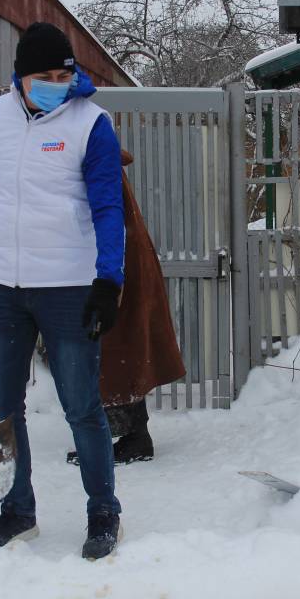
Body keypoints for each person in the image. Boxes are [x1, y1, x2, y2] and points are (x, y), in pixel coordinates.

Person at [0, 22, 125, 560]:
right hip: (0, 285)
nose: (55, 83)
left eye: (62, 74)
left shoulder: (92, 123)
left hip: (67, 285)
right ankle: (17, 512)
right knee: (3, 406)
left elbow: (107, 207)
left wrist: (107, 280)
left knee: (81, 406)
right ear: (19, 78)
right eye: (42, 76)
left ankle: (103, 512)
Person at [67, 148, 187, 467]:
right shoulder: (94, 158)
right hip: (118, 263)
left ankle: (133, 439)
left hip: (115, 268)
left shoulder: (94, 160)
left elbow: (100, 216)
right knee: (120, 353)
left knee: (117, 353)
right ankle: (123, 437)